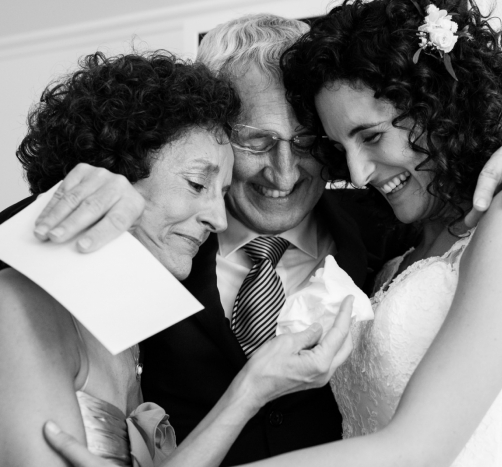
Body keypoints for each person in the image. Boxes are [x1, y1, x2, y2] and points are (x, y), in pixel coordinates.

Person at [0, 11, 502, 466]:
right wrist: (67, 192)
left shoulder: (387, 222)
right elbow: (26, 284)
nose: (284, 173)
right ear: (213, 129)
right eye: (256, 142)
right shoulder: (155, 241)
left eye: (310, 146)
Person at [0, 51, 352, 467]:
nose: (219, 219)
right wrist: (250, 390)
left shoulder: (131, 342)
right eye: (197, 183)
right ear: (111, 170)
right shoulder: (20, 307)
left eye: (221, 194)